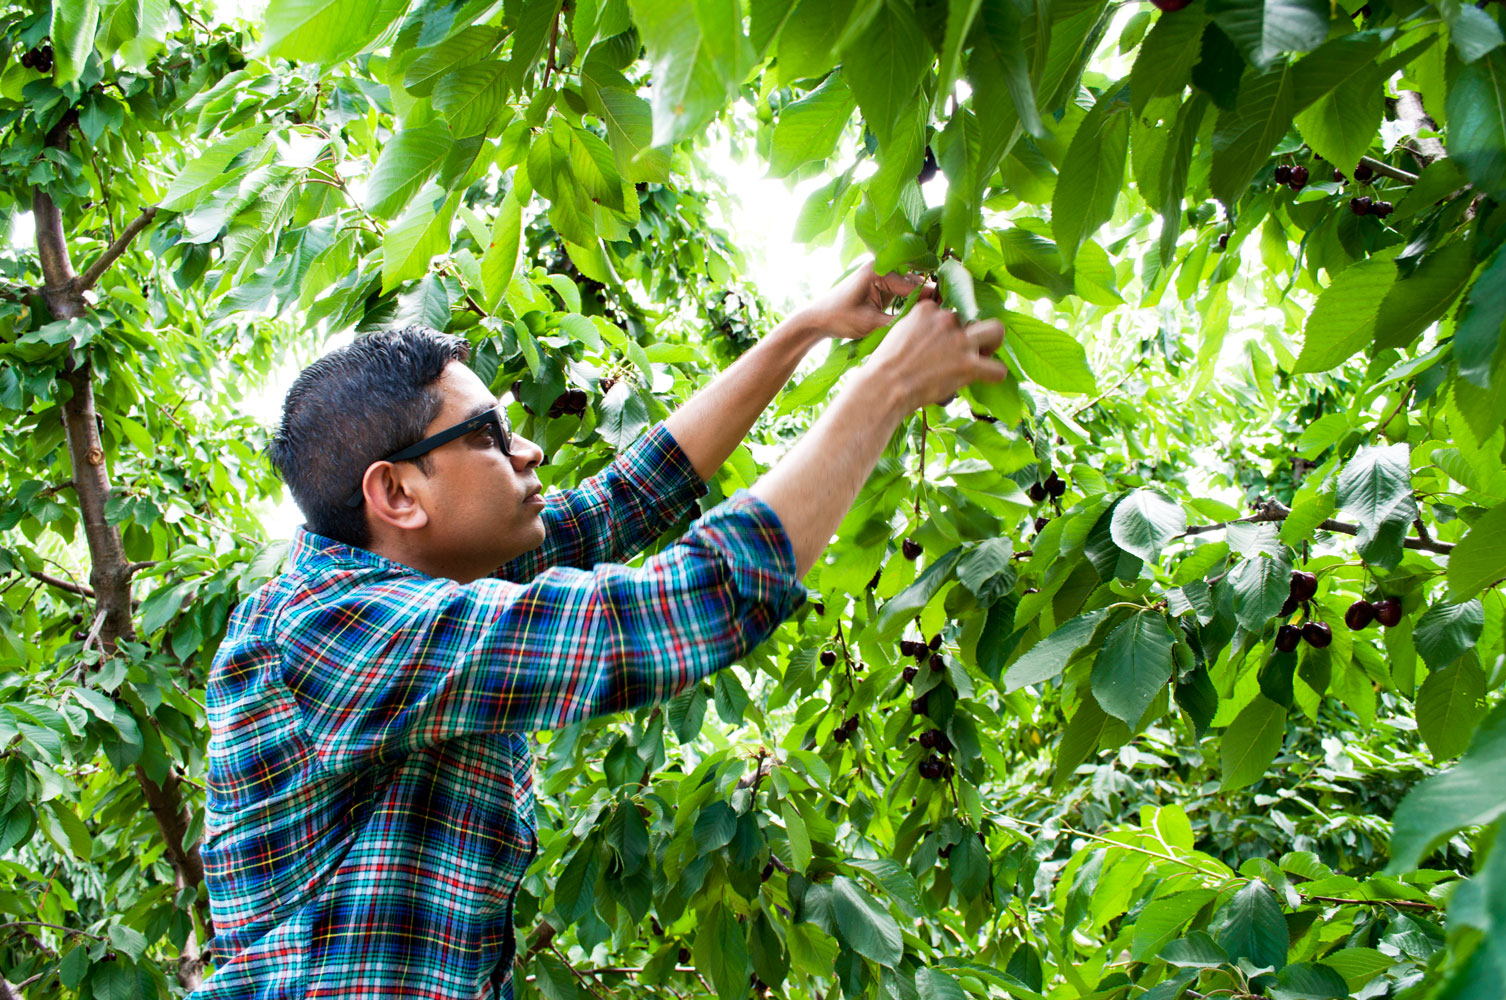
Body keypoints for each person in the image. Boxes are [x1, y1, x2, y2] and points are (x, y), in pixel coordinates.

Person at [196, 261, 1008, 999]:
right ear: (399, 495)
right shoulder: (324, 631)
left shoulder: (426, 583)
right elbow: (670, 610)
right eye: (487, 436)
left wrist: (807, 327)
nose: (530, 449)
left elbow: (630, 497)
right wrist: (884, 390)